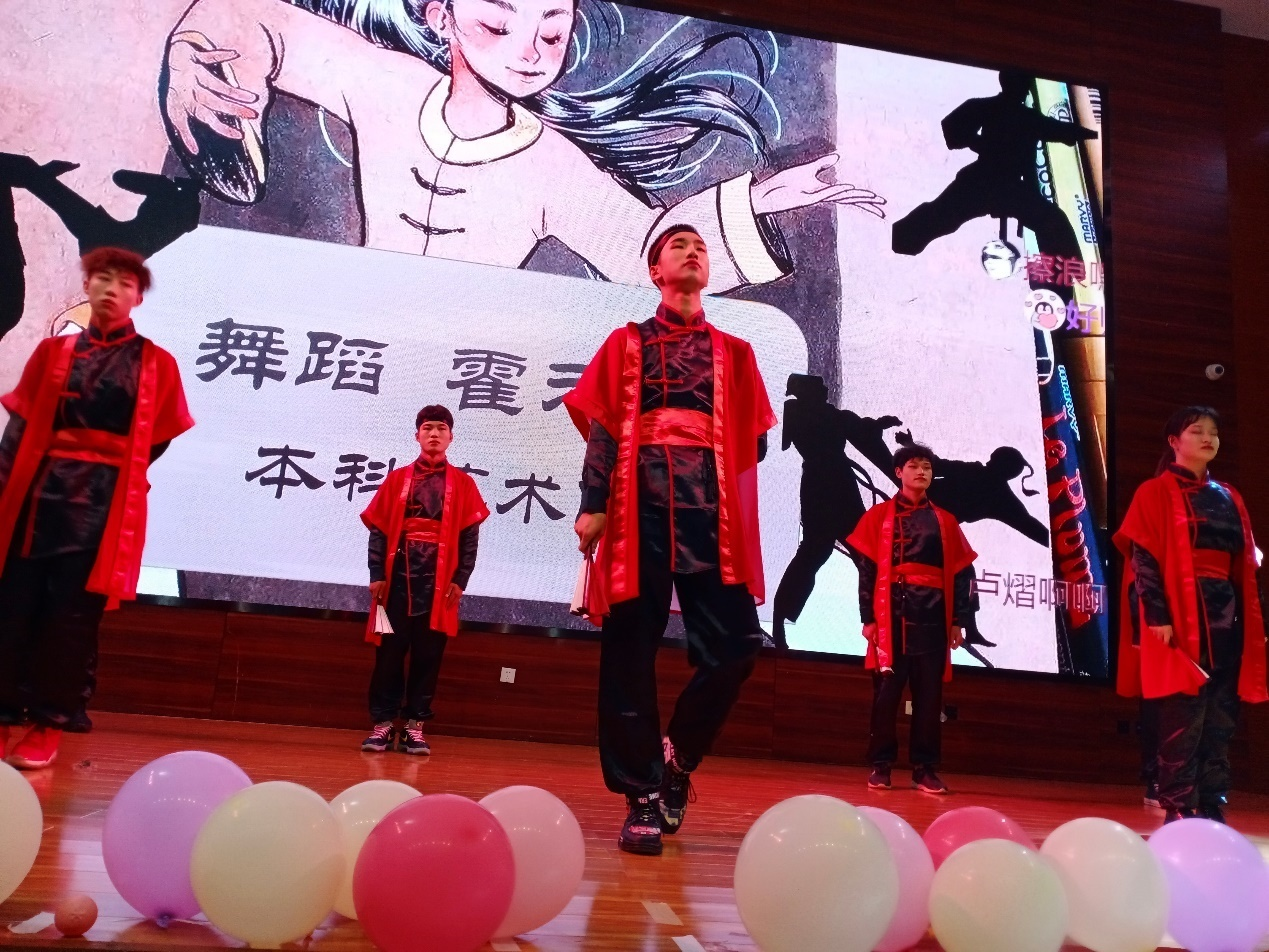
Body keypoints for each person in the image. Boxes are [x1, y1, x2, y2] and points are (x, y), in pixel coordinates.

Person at [564, 223, 776, 855]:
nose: (692, 251)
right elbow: (604, 428)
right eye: (678, 246)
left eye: (700, 247)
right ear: (655, 271)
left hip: (711, 517)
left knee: (738, 645)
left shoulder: (736, 353)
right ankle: (641, 796)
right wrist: (593, 504)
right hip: (639, 512)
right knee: (629, 654)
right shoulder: (626, 342)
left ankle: (676, 759)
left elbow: (757, 441)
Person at [0, 247, 194, 769]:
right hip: (37, 497)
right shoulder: (52, 353)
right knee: (12, 607)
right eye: (103, 278)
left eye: (125, 282)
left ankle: (48, 724)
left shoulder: (157, 363)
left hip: (102, 508)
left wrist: (112, 467)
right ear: (87, 286)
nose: (111, 289)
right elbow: (18, 431)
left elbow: (159, 438)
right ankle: (2, 717)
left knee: (70, 618)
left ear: (138, 297)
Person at [1115, 406, 1266, 824]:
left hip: (1226, 616)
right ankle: (1179, 806)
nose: (1207, 438)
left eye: (1213, 432)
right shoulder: (1153, 492)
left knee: (1221, 717)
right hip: (1180, 616)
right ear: (1174, 441)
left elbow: (1246, 567)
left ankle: (1213, 803)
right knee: (1183, 717)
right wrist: (1157, 616)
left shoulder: (1230, 496)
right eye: (1197, 431)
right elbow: (1143, 559)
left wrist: (1259, 623)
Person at [845, 443, 976, 795]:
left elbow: (962, 574)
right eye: (914, 466)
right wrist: (868, 618)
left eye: (927, 467)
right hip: (892, 617)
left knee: (930, 698)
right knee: (886, 696)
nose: (921, 472)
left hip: (933, 618)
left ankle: (925, 769)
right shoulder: (878, 517)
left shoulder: (945, 521)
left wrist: (958, 620)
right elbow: (866, 571)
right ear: (898, 472)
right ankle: (881, 765)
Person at [359, 405, 488, 756]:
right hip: (396, 580)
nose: (434, 433)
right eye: (427, 427)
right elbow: (378, 530)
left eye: (441, 428)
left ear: (450, 436)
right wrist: (376, 574)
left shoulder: (463, 484)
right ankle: (383, 725)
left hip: (439, 583)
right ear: (417, 435)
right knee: (388, 655)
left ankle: (415, 727)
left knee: (428, 656)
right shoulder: (397, 479)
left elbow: (470, 537)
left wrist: (461, 579)